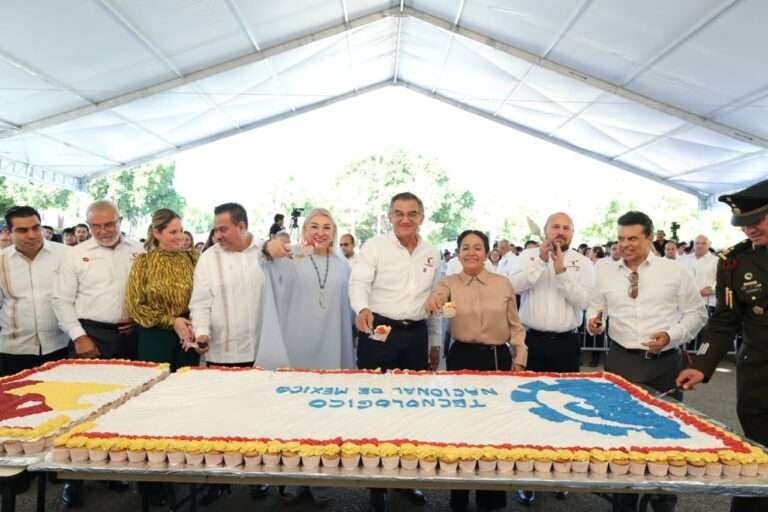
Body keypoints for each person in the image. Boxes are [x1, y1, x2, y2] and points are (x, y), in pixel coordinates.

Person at [587, 211, 707, 512]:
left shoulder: (673, 271)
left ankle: (663, 496)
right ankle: (623, 497)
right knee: (619, 432)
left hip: (664, 365)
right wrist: (593, 321)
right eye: (621, 239)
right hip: (620, 361)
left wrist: (670, 335)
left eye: (633, 238)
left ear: (650, 238)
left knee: (665, 432)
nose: (626, 245)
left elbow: (697, 314)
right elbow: (594, 305)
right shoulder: (605, 272)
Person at [676, 179, 768, 512]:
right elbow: (725, 321)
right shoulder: (734, 262)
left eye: (756, 221)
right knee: (757, 454)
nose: (749, 230)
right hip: (759, 374)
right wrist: (702, 366)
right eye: (743, 224)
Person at [349, 191, 441, 511]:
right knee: (375, 406)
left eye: (412, 213)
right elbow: (358, 282)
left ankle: (406, 479)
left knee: (410, 407)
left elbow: (435, 301)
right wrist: (361, 307)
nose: (405, 219)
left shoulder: (433, 253)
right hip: (379, 330)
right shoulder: (375, 246)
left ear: (421, 217)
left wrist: (435, 343)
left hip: (415, 334)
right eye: (399, 213)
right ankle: (377, 483)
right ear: (390, 217)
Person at [426, 230, 526, 512]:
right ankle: (457, 497)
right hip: (461, 358)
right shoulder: (449, 282)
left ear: (486, 252)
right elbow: (437, 297)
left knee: (493, 432)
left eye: (477, 247)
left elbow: (516, 326)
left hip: (497, 359)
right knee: (461, 429)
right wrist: (433, 301)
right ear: (458, 252)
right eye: (466, 247)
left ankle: (491, 500)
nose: (471, 252)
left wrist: (520, 357)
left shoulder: (503, 284)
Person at [52, 200, 142, 507]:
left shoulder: (138, 251)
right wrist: (79, 337)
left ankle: (112, 471)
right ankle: (72, 480)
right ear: (88, 226)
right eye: (96, 226)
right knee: (82, 412)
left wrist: (139, 318)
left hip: (131, 336)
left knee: (122, 408)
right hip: (90, 336)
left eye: (109, 224)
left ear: (121, 220)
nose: (103, 231)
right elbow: (61, 301)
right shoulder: (74, 254)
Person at [262, 209, 354, 507]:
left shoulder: (344, 267)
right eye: (314, 226)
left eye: (327, 226)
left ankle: (321, 482)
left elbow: (352, 308)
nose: (320, 231)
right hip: (296, 347)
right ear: (304, 229)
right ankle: (291, 479)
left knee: (324, 418)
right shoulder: (291, 260)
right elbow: (266, 269)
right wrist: (272, 250)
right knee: (293, 415)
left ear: (335, 231)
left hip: (332, 347)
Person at [509, 212, 594, 506]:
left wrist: (561, 273)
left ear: (573, 232)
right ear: (545, 231)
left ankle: (561, 474)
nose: (560, 232)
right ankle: (528, 476)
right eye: (555, 227)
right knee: (527, 408)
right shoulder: (529, 256)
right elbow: (513, 287)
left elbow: (587, 302)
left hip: (566, 344)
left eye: (566, 227)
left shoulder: (583, 264)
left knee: (565, 411)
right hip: (531, 342)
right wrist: (541, 262)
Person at [125, 209, 199, 372]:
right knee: (156, 385)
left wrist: (193, 323)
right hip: (154, 336)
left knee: (188, 386)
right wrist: (172, 321)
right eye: (173, 232)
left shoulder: (193, 258)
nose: (180, 236)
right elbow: (134, 305)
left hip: (188, 334)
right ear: (157, 233)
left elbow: (204, 296)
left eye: (181, 230)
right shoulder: (144, 262)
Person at [1, 207, 70, 374]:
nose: (32, 235)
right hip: (13, 350)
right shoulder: (1, 261)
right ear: (9, 232)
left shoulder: (66, 255)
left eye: (36, 228)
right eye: (22, 230)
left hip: (60, 347)